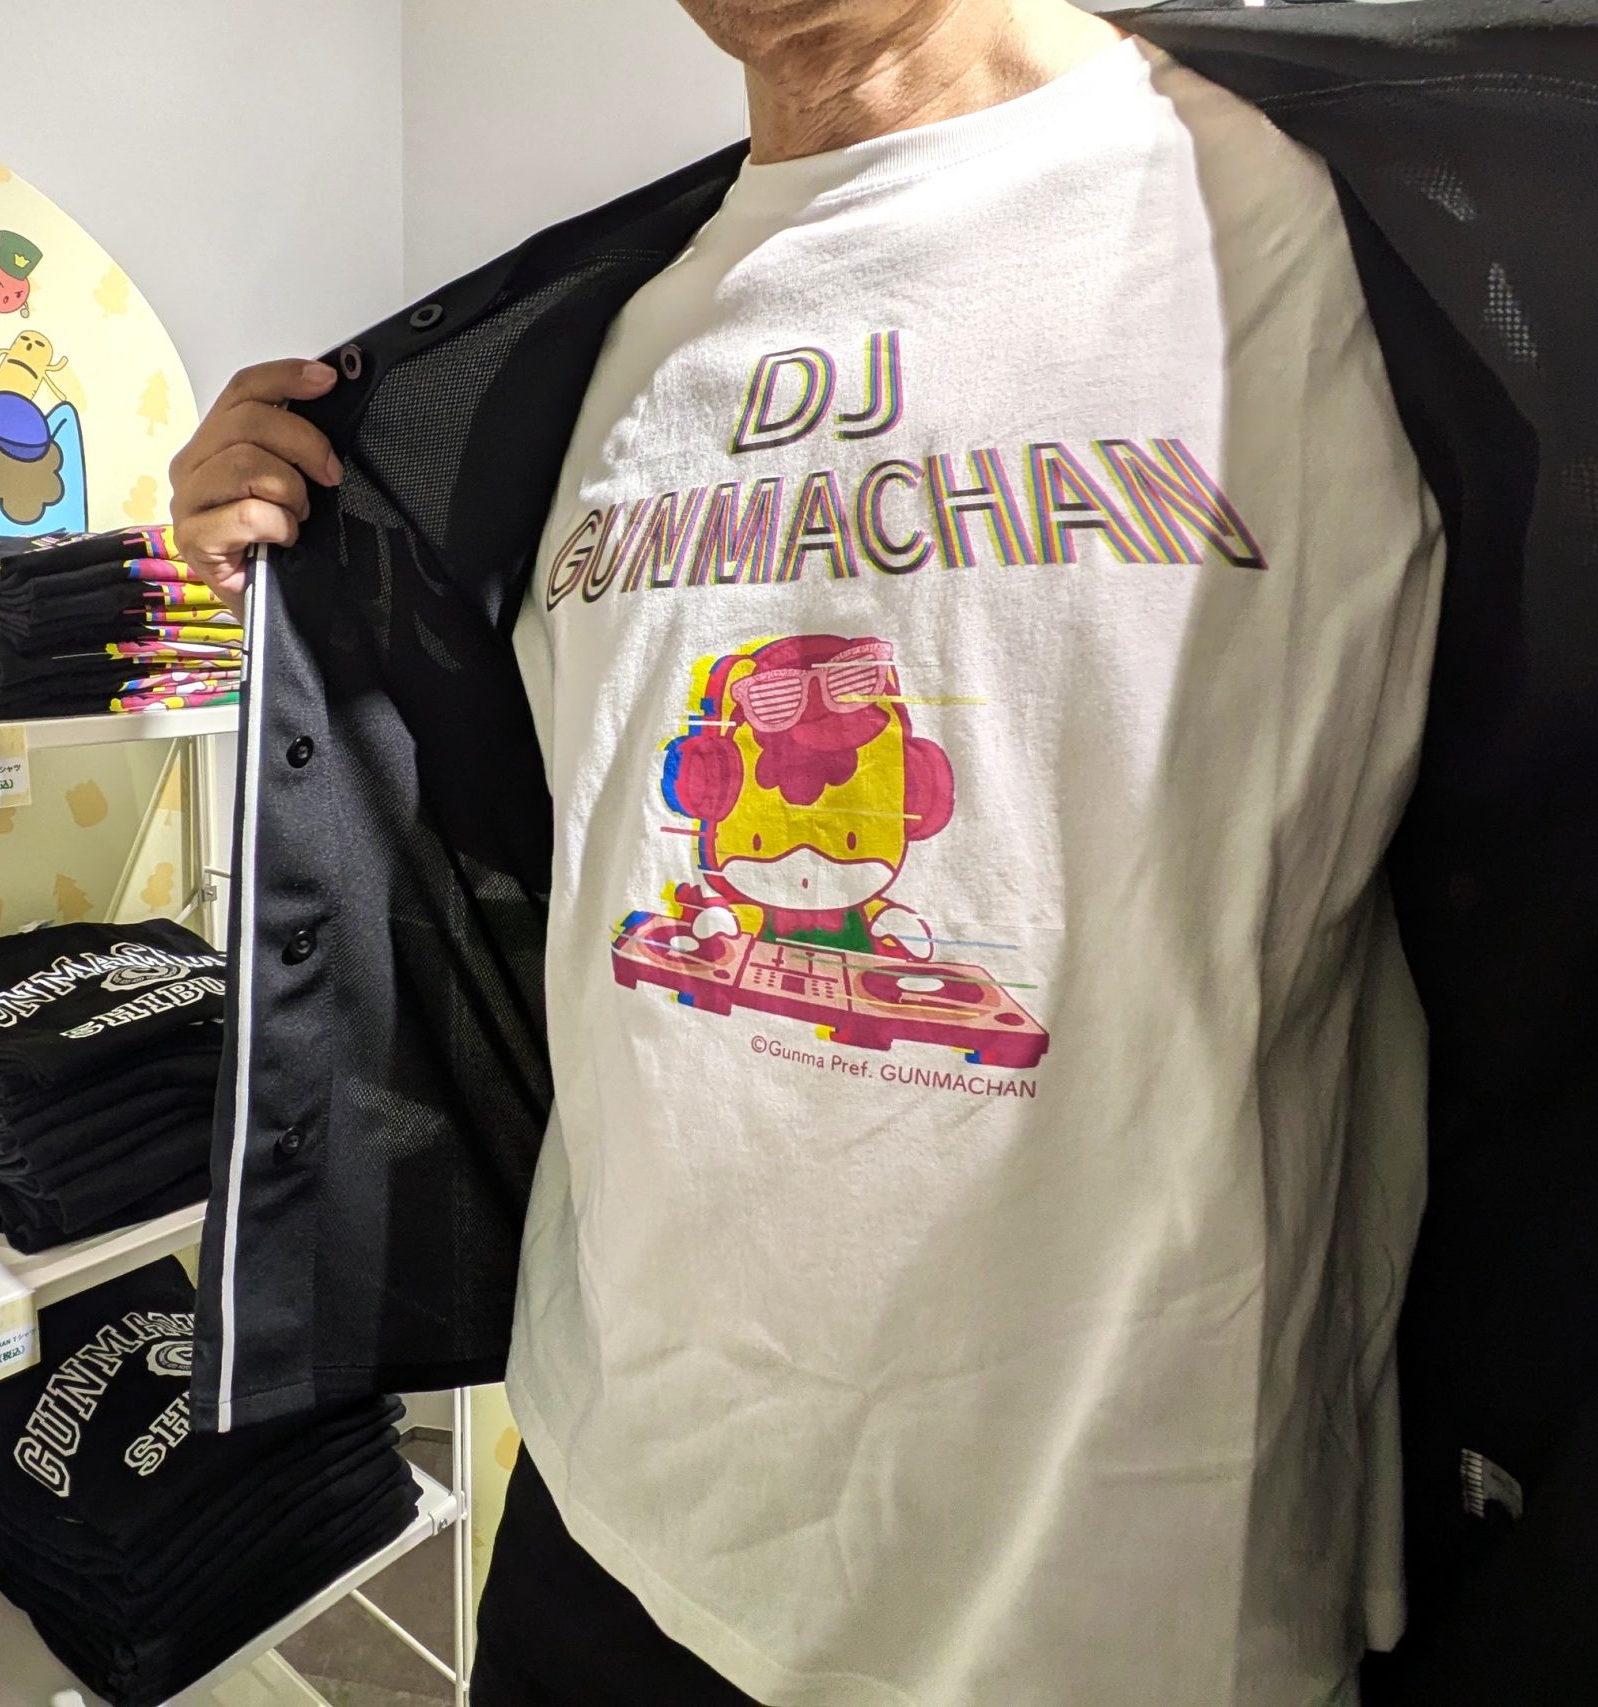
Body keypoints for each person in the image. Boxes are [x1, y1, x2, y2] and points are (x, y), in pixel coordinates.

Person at [172, 1, 1443, 1703]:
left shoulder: (1344, 237)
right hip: (611, 1516)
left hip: (1117, 1597)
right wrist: (294, 555)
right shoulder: (566, 357)